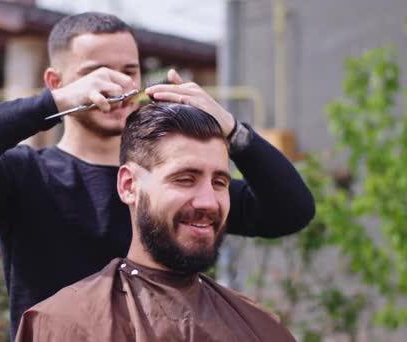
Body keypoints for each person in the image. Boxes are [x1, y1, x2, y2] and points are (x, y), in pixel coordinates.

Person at [0, 12, 314, 339]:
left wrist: (233, 130)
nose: (117, 84)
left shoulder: (176, 186)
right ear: (56, 80)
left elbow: (292, 211)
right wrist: (53, 103)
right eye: (96, 72)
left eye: (129, 71)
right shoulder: (27, 176)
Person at [16, 103, 296, 341]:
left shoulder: (258, 326)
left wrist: (235, 130)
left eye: (220, 182)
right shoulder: (67, 325)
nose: (208, 201)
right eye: (185, 179)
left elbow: (295, 208)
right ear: (129, 186)